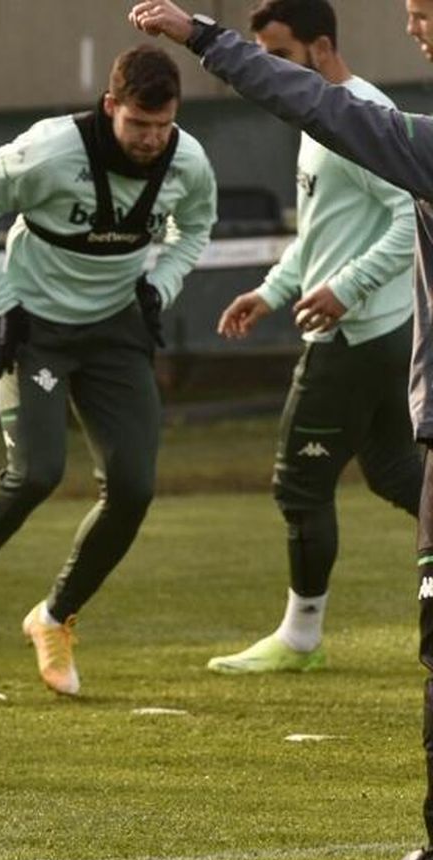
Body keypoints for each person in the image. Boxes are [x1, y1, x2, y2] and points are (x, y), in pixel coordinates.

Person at [128, 0, 433, 860]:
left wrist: (206, 38)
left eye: (424, 11)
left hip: (367, 345)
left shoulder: (395, 129)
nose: (415, 27)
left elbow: (312, 104)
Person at [0, 46, 217, 696]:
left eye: (163, 126)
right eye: (139, 125)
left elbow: (197, 226)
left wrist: (159, 287)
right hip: (37, 330)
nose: (151, 140)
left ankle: (54, 615)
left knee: (133, 487)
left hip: (115, 333)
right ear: (111, 108)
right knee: (37, 472)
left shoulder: (186, 160)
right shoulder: (51, 150)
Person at [205, 0, 420, 676]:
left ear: (320, 46)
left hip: (358, 335)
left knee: (299, 482)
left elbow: (410, 220)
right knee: (395, 472)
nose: (266, 67)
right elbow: (322, 235)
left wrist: (347, 288)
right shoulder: (316, 120)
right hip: (379, 331)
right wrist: (271, 292)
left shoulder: (360, 118)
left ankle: (300, 637)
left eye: (277, 53)